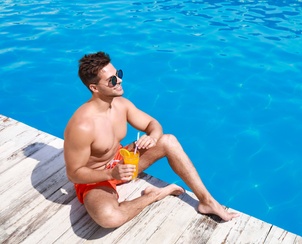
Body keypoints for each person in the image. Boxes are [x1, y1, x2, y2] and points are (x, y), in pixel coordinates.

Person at [63, 51, 239, 228]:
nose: (120, 80)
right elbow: (74, 174)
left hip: (123, 162)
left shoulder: (121, 105)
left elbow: (153, 124)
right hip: (96, 177)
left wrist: (153, 137)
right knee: (109, 218)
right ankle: (153, 195)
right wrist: (110, 174)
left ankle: (207, 201)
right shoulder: (82, 126)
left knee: (169, 140)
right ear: (94, 88)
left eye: (119, 74)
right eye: (112, 80)